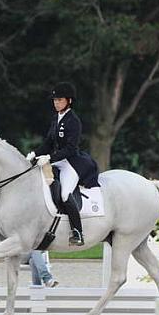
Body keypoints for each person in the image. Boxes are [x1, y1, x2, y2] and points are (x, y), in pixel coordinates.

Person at [26, 82, 99, 247]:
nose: (56, 103)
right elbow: (48, 143)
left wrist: (50, 159)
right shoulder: (56, 118)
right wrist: (35, 154)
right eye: (54, 100)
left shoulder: (74, 121)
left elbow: (71, 149)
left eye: (59, 100)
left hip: (71, 163)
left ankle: (78, 232)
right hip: (58, 160)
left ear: (69, 101)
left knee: (65, 194)